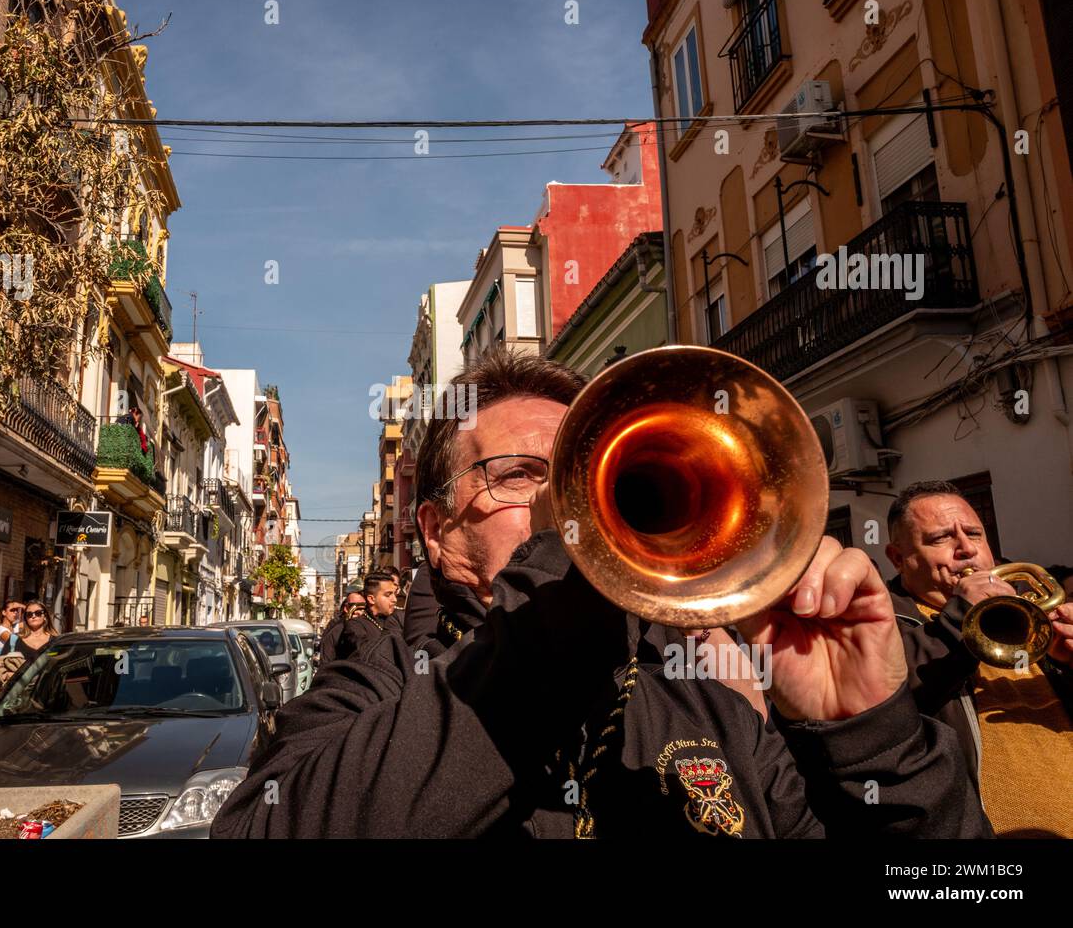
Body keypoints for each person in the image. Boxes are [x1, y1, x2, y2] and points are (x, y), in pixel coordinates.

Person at [212, 350, 987, 838]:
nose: (564, 500)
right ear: (438, 528)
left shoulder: (708, 704)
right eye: (520, 475)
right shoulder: (374, 687)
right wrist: (560, 595)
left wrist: (872, 740)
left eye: (580, 470)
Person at [885, 481, 1073, 837]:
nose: (967, 549)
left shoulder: (1027, 607)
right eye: (941, 538)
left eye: (974, 533)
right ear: (898, 558)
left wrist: (1067, 665)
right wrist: (959, 619)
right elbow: (891, 704)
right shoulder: (880, 619)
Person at [334, 573, 401, 659]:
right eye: (388, 595)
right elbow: (366, 654)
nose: (394, 600)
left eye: (394, 594)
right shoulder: (356, 625)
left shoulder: (398, 619)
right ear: (371, 599)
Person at [318, 591, 366, 664]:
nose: (360, 612)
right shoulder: (335, 630)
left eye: (364, 608)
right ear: (346, 608)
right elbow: (326, 659)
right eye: (356, 607)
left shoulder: (369, 625)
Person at [15, 601, 57, 666]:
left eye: (38, 613)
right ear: (26, 618)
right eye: (29, 614)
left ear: (45, 616)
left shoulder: (55, 641)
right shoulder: (15, 639)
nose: (33, 616)